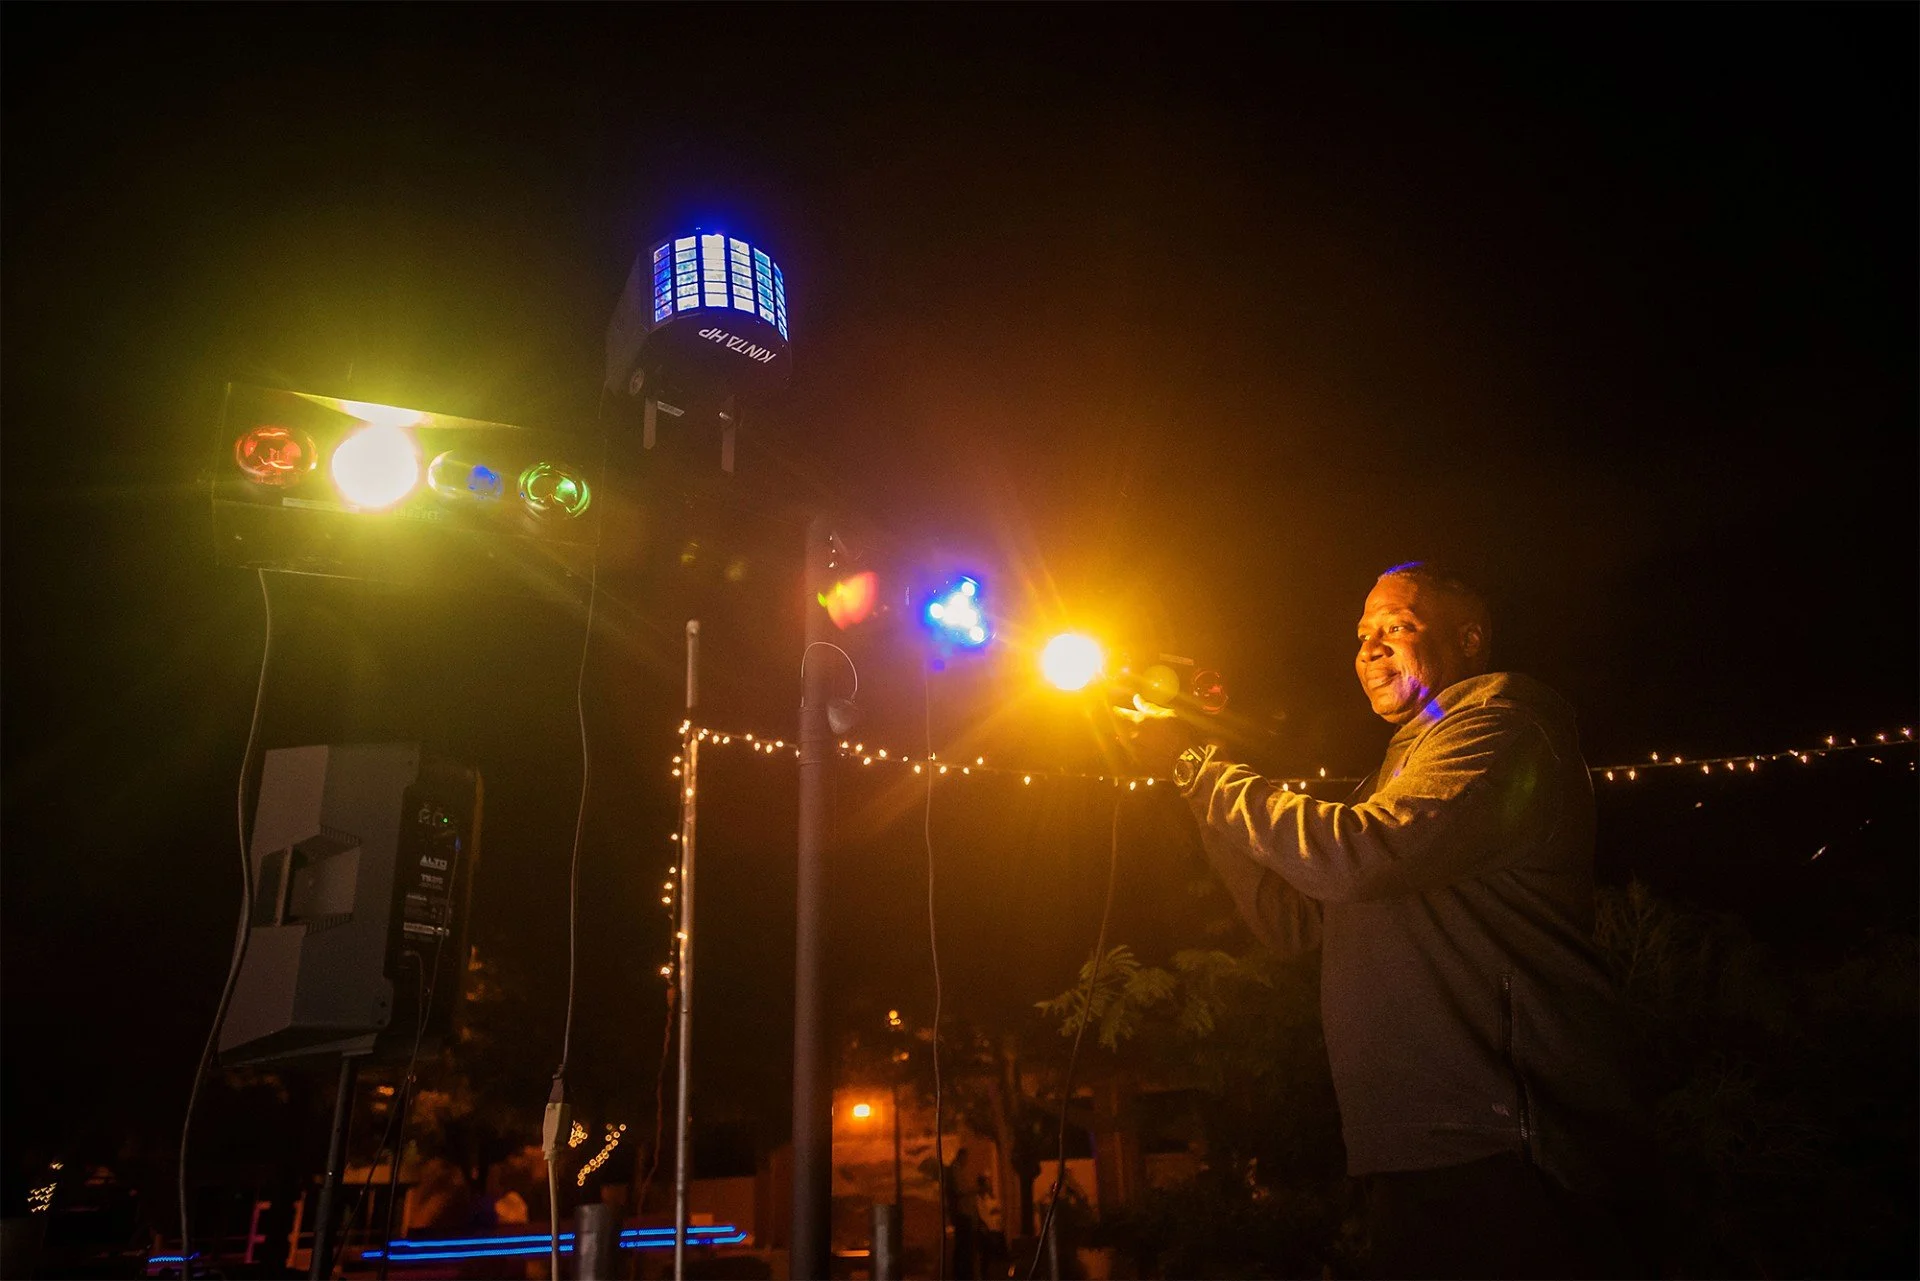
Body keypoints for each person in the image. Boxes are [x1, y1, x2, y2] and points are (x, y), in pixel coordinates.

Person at [1126, 561, 1642, 1279]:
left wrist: (1204, 774)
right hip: (1409, 1149)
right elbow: (1294, 922)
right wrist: (1198, 784)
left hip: (1507, 1148)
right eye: (1362, 633)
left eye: (1396, 626)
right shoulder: (1394, 777)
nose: (1369, 648)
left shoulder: (1501, 731)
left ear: (1468, 639)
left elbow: (1360, 855)